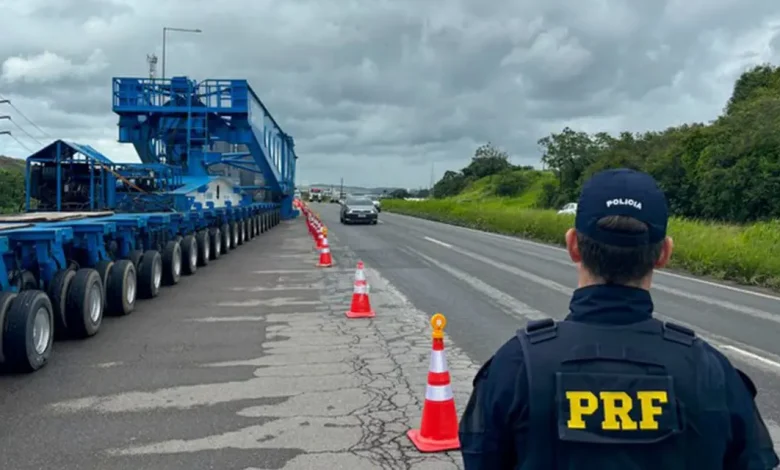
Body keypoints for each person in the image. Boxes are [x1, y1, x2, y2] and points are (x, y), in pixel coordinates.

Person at [458, 168, 779, 469]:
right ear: (665, 253)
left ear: (573, 245)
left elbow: (481, 457)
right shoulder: (713, 372)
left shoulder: (515, 365)